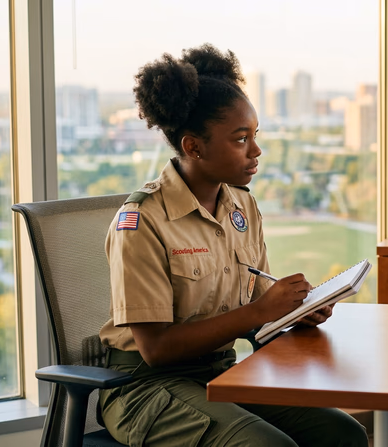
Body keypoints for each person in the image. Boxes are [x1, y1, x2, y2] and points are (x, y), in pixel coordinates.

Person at [97, 44, 368, 447]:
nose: (256, 151)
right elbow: (156, 349)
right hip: (145, 388)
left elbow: (255, 317)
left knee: (343, 434)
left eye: (255, 136)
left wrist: (294, 312)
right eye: (241, 139)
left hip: (221, 373)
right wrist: (260, 310)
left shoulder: (242, 205)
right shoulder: (142, 221)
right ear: (193, 147)